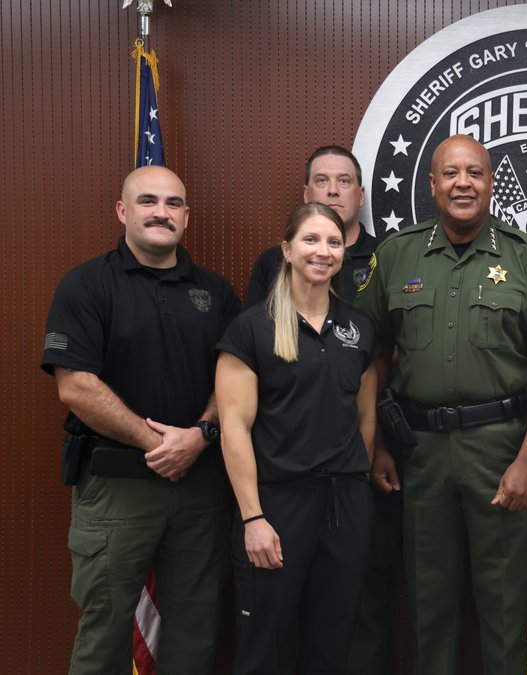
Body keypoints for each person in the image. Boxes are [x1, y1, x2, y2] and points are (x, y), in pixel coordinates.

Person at [355, 134, 527, 674]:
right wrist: (377, 445)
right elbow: (371, 357)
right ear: (432, 184)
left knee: (505, 606)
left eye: (475, 173)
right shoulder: (397, 254)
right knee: (428, 604)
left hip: (500, 450)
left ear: (491, 183)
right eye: (451, 173)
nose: (463, 183)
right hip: (420, 453)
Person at [42, 166, 240, 675]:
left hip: (199, 485)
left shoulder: (215, 292)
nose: (161, 213)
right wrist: (159, 445)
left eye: (173, 204)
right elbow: (75, 385)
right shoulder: (86, 285)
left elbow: (236, 380)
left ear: (187, 216)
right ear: (122, 211)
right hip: (117, 487)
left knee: (195, 629)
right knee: (106, 631)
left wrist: (200, 437)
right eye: (148, 201)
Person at [216, 202, 377, 674]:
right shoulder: (251, 329)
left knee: (332, 645)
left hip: (345, 505)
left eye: (333, 242)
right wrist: (254, 518)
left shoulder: (358, 328)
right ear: (286, 250)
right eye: (310, 239)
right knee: (264, 648)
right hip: (276, 505)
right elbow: (234, 428)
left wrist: (357, 484)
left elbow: (366, 418)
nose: (323, 251)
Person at [245, 146, 380, 305]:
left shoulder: (384, 257)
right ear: (306, 194)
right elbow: (254, 320)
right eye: (322, 180)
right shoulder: (273, 262)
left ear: (361, 196)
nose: (333, 190)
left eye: (344, 181)